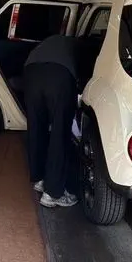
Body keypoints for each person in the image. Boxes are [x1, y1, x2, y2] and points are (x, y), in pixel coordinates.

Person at [23, 34, 83, 208]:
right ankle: (53, 193)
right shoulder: (86, 48)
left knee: (36, 127)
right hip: (58, 75)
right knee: (60, 132)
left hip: (31, 72)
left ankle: (40, 178)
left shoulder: (56, 41)